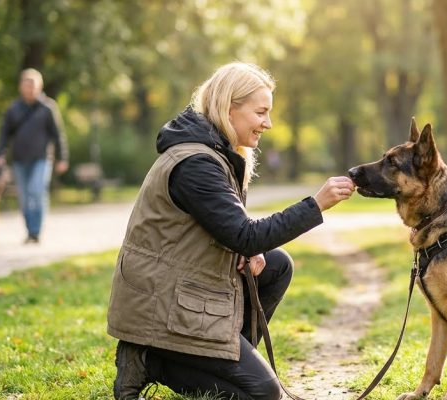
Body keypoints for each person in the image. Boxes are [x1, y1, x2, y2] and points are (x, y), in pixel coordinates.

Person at [106, 62, 356, 400]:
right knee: (263, 394)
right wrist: (316, 204)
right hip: (160, 301)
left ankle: (214, 355)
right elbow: (244, 234)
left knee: (276, 264)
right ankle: (149, 359)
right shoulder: (196, 164)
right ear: (229, 108)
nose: (267, 123)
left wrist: (247, 248)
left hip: (185, 283)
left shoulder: (216, 153)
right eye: (261, 112)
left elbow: (230, 232)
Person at [0, 68, 69, 244]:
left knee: (37, 192)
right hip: (19, 160)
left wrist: (63, 157)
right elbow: (4, 133)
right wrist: (0, 154)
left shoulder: (47, 108)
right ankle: (29, 230)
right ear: (21, 87)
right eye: (26, 86)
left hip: (41, 159)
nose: (30, 89)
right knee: (24, 197)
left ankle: (36, 231)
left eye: (33, 86)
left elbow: (58, 135)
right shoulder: (13, 109)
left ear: (39, 86)